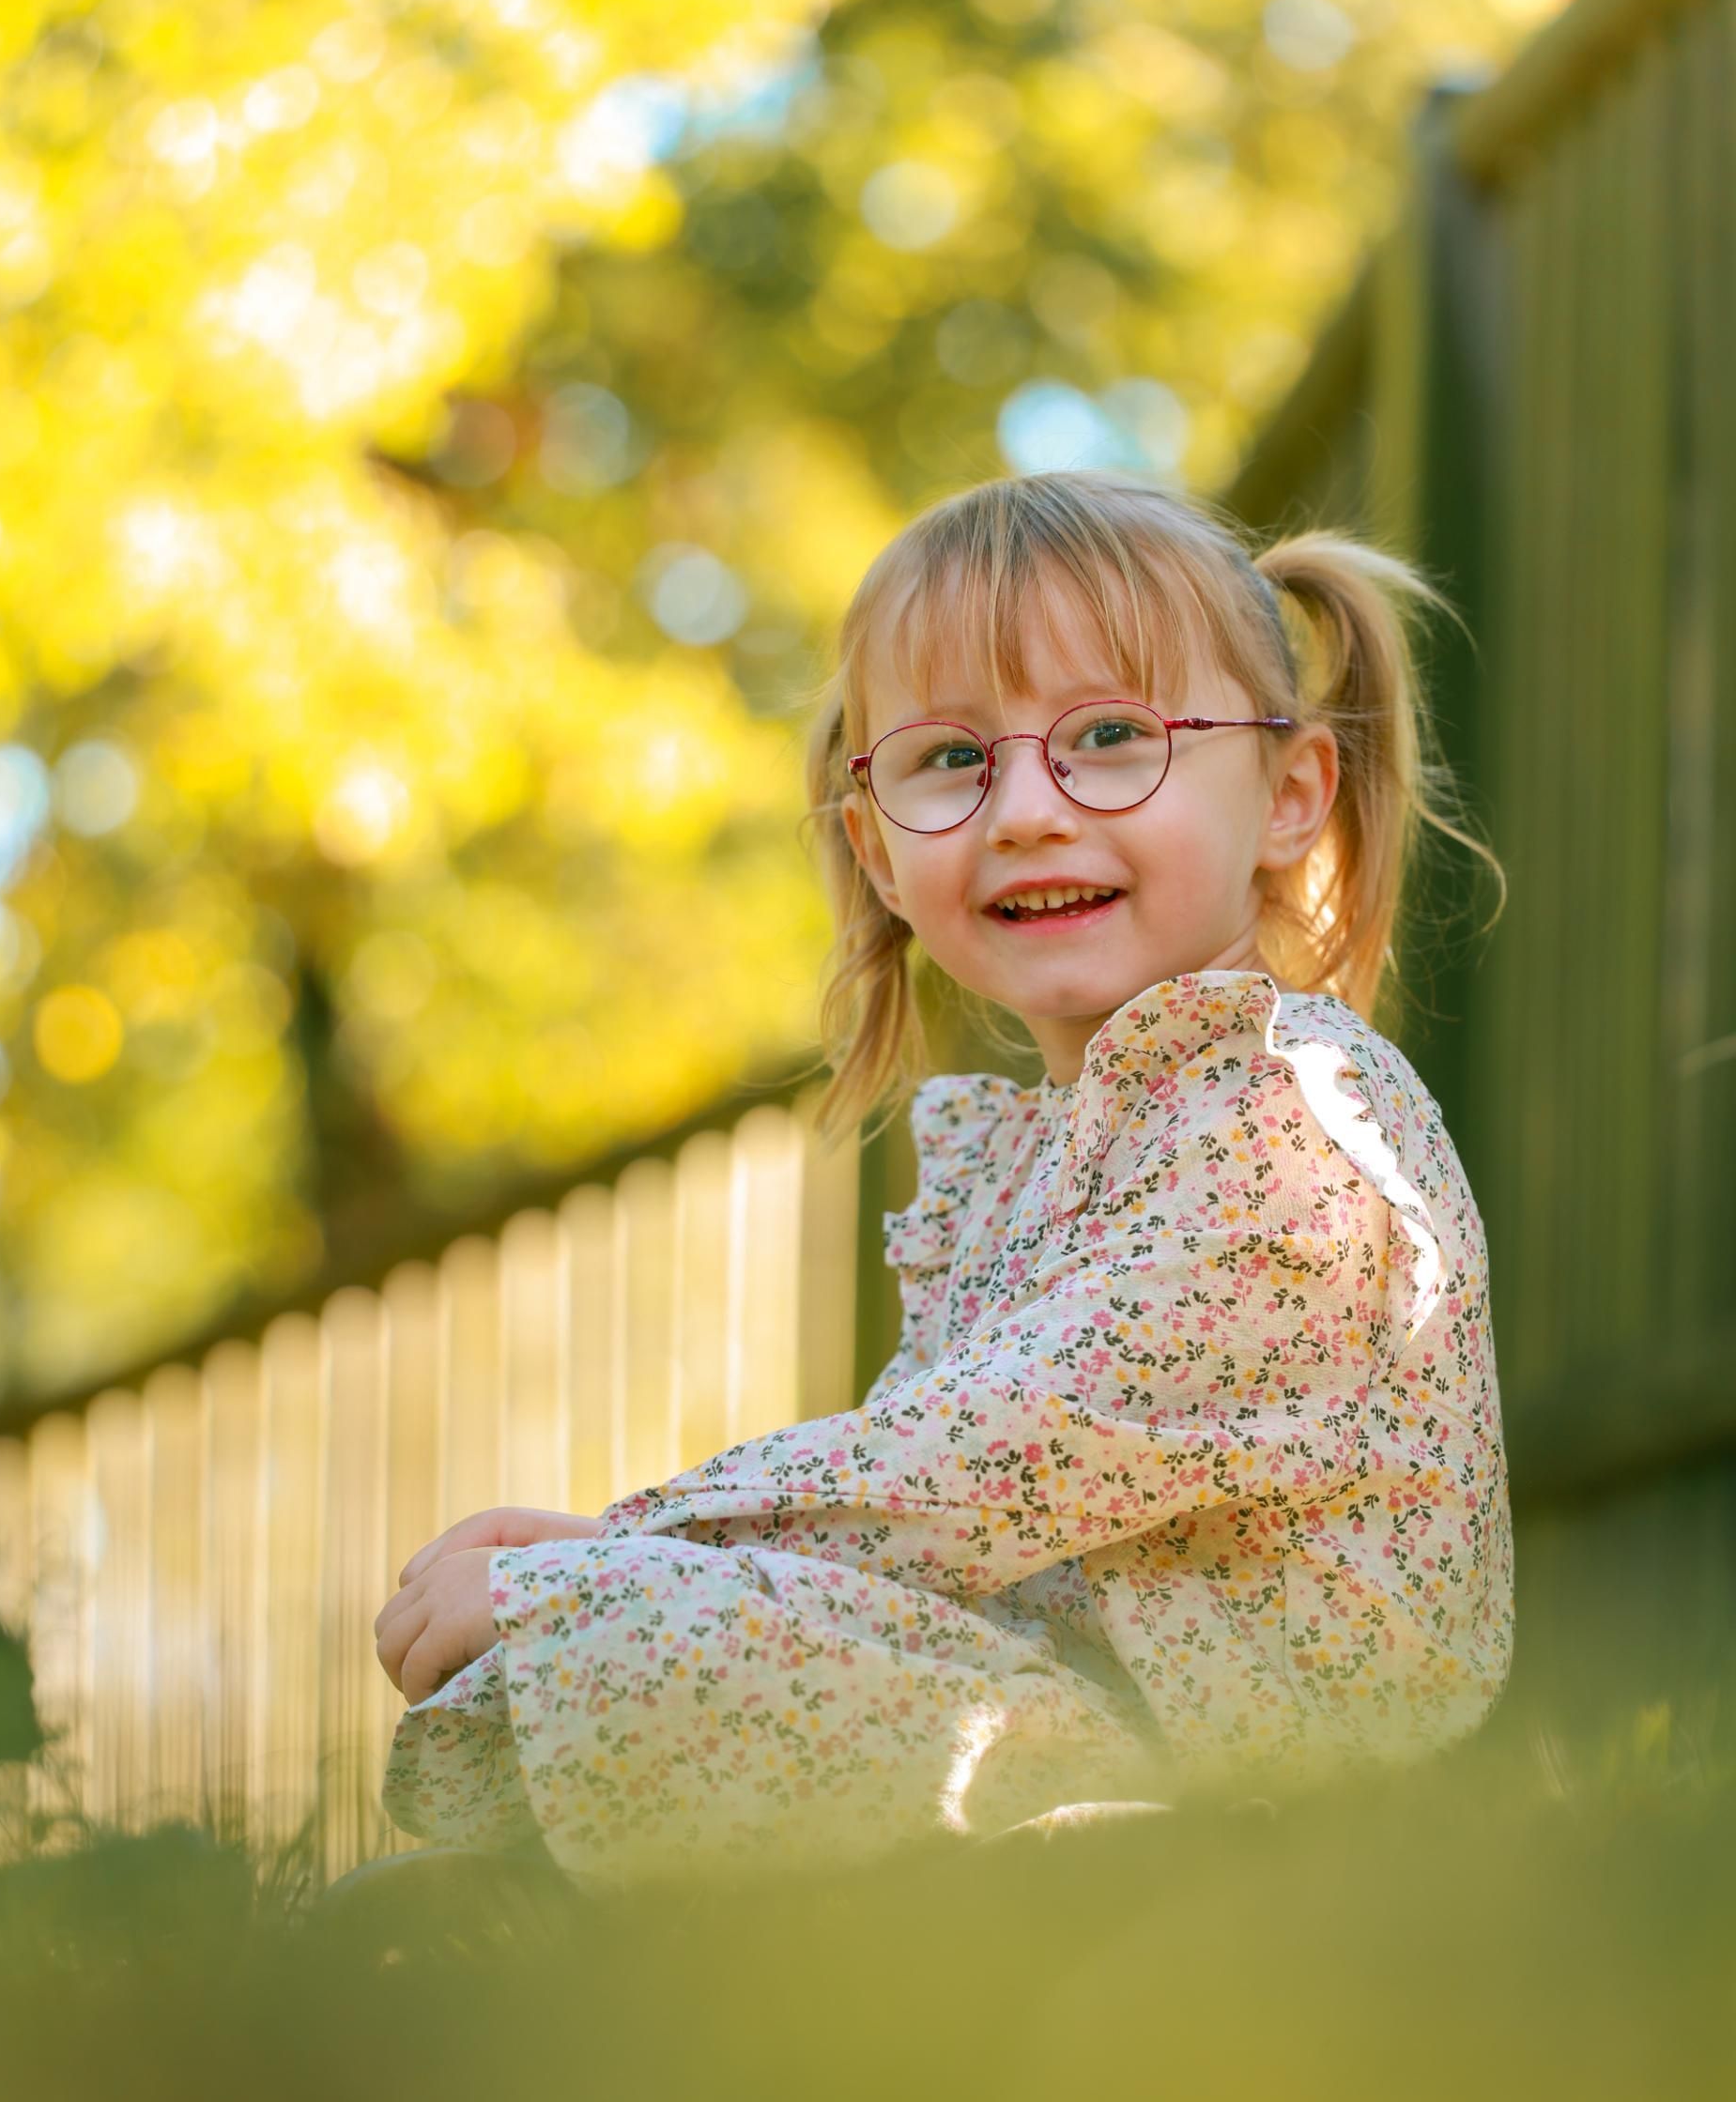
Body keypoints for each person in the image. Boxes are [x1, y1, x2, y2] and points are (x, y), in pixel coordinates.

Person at [374, 470, 1514, 1887]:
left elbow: (990, 1469)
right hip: (1076, 1717)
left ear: (1290, 796)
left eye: (1111, 738)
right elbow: (917, 1562)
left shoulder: (1287, 1113)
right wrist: (630, 1579)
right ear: (878, 849)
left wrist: (610, 1553)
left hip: (1287, 1795)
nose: (1028, 808)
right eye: (951, 762)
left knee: (627, 1629)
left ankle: (1063, 1884)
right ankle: (565, 1885)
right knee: (633, 1632)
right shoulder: (1028, 1161)